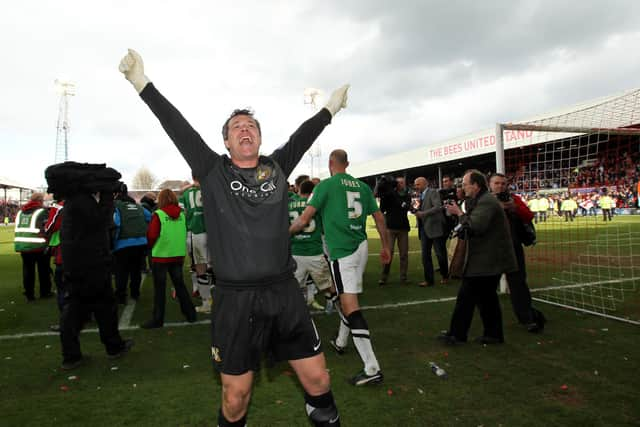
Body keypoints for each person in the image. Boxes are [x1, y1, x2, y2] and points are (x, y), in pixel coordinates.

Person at [120, 48, 346, 426]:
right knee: (236, 396)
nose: (245, 129)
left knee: (319, 379)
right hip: (235, 301)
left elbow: (302, 136)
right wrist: (142, 84)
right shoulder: (212, 171)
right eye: (237, 127)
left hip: (283, 293)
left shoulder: (276, 168)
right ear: (226, 142)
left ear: (259, 138)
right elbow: (177, 125)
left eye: (251, 126)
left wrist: (330, 110)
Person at [290, 149, 391, 386]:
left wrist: (282, 235)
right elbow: (378, 218)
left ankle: (372, 367)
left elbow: (304, 220)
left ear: (330, 163)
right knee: (348, 298)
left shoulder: (325, 185)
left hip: (342, 251)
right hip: (361, 246)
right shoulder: (363, 187)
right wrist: (386, 246)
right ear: (348, 163)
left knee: (350, 306)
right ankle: (342, 341)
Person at [45, 161, 134, 370]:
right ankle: (108, 348)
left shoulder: (73, 202)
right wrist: (106, 199)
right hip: (90, 264)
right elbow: (101, 222)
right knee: (94, 307)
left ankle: (77, 354)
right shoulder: (81, 203)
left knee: (83, 307)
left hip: (79, 263)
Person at [438, 170, 517, 345]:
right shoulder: (481, 200)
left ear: (476, 185)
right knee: (486, 299)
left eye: (465, 184)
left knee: (467, 297)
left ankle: (457, 335)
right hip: (487, 257)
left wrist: (459, 213)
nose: (463, 187)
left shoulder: (487, 202)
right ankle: (493, 335)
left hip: (487, 258)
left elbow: (475, 226)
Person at [489, 173, 546, 333]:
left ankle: (527, 318)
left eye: (503, 183)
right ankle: (489, 322)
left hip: (512, 247)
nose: (500, 186)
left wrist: (514, 207)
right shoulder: (485, 200)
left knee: (518, 284)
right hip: (491, 249)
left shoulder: (514, 199)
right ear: (490, 184)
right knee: (484, 285)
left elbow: (529, 216)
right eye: (497, 183)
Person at [142, 189, 197, 328]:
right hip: (177, 255)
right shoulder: (182, 215)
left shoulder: (159, 214)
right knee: (180, 286)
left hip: (161, 255)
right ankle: (190, 314)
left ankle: (158, 319)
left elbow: (152, 235)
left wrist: (150, 246)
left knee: (159, 289)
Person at [288, 180, 335, 310]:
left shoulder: (290, 204)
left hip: (295, 252)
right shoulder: (316, 205)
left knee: (294, 288)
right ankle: (340, 307)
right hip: (314, 252)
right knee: (329, 285)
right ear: (312, 192)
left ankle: (296, 313)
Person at [113, 184, 151, 304]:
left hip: (123, 244)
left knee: (121, 271)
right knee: (136, 270)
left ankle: (121, 295)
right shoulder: (138, 206)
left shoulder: (115, 206)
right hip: (141, 243)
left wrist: (113, 242)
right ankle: (135, 294)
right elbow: (150, 217)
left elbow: (116, 223)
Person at [180, 175, 214, 313]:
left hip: (197, 231)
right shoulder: (213, 188)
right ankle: (223, 298)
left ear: (193, 177)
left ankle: (206, 302)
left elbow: (181, 212)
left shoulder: (186, 193)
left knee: (200, 268)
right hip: (215, 233)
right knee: (219, 266)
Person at [14, 193, 52, 301]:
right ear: (40, 201)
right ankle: (45, 292)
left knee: (28, 271)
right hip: (39, 245)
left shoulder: (20, 211)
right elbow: (46, 228)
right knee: (43, 269)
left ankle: (29, 294)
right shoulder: (42, 211)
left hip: (23, 245)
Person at [412, 177, 449, 287]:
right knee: (425, 255)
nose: (416, 187)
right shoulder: (417, 195)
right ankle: (428, 280)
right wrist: (414, 210)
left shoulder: (433, 192)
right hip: (423, 228)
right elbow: (417, 208)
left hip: (435, 227)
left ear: (425, 184)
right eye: (415, 184)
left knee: (440, 254)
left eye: (418, 184)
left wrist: (423, 214)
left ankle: (445, 275)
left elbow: (438, 207)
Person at [377, 176, 411, 285]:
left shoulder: (407, 196)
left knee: (404, 254)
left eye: (402, 183)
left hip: (403, 228)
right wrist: (385, 195)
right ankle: (384, 276)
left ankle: (403, 277)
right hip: (390, 228)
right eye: (398, 183)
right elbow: (383, 208)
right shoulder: (389, 195)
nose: (399, 184)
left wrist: (392, 194)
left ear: (404, 184)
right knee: (388, 253)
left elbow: (404, 206)